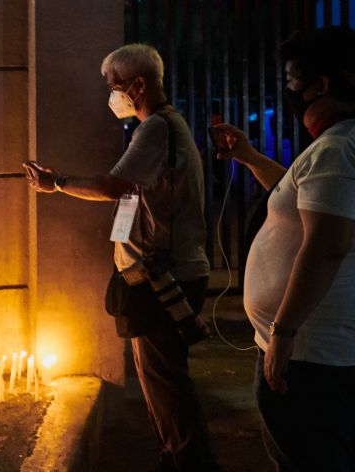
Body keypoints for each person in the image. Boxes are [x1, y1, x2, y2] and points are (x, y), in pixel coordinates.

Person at [23, 43, 218, 471]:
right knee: (160, 380)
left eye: (115, 86)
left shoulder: (156, 130)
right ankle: (177, 457)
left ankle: (189, 462)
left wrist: (57, 183)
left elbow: (113, 186)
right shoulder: (165, 128)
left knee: (165, 382)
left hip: (161, 276)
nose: (112, 95)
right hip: (156, 273)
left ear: (139, 85)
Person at [216, 26, 355, 471]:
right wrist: (251, 157)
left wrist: (284, 331)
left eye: (294, 80)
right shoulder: (335, 148)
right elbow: (296, 199)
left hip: (312, 356)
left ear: (323, 85)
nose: (290, 92)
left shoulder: (336, 149)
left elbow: (327, 245)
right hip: (317, 350)